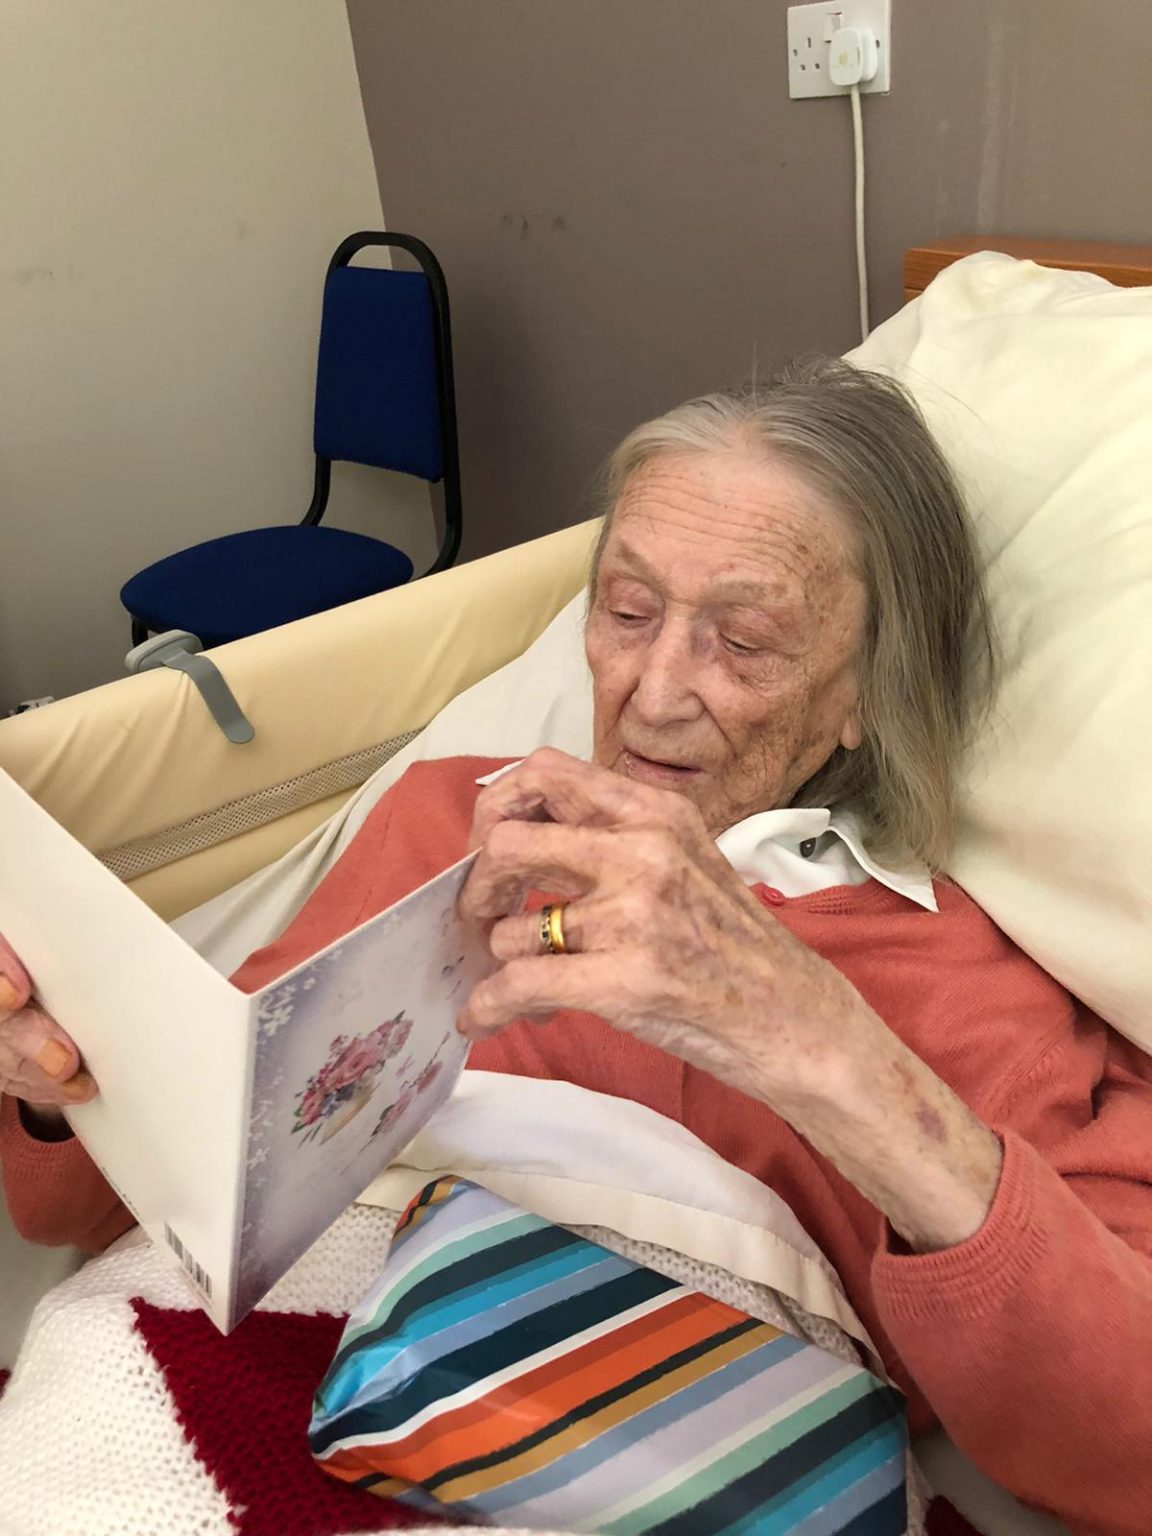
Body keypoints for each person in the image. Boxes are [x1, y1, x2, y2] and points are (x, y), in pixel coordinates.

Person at [2, 359, 1150, 1536]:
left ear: (862, 691)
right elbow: (110, 1209)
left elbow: (1127, 1444)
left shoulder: (960, 981)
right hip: (200, 1364)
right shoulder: (446, 821)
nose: (653, 694)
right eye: (628, 612)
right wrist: (55, 1076)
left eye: (744, 642)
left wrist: (815, 1040)